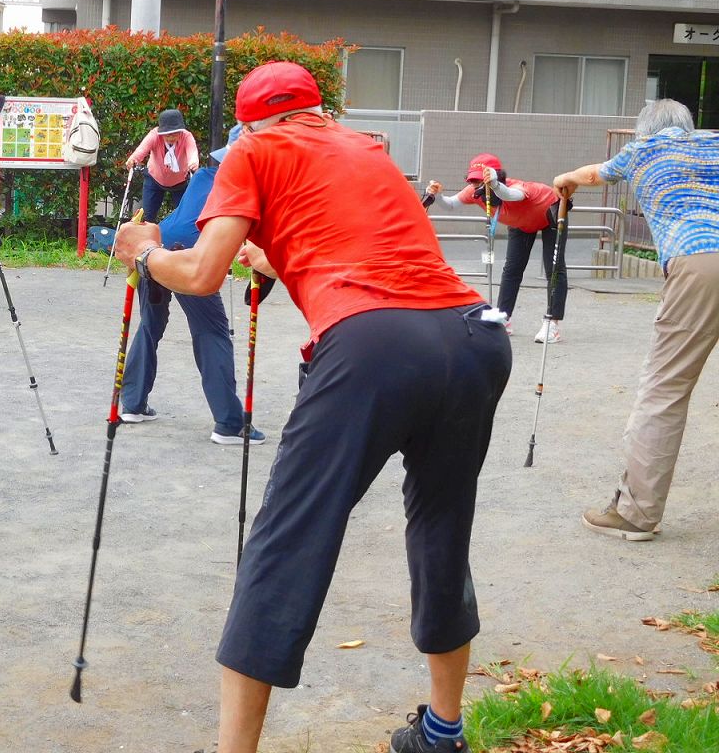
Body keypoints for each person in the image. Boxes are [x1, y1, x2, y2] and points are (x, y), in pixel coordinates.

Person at [114, 61, 511, 753]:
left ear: (253, 121)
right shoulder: (365, 149)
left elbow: (202, 273)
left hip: (374, 347)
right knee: (442, 530)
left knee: (284, 545)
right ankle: (444, 732)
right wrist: (266, 255)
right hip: (473, 336)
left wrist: (147, 253)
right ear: (317, 110)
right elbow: (343, 247)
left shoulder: (253, 151)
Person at [554, 99, 719, 543]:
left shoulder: (641, 150)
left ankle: (636, 514)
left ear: (644, 129)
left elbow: (591, 174)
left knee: (665, 391)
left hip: (700, 261)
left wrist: (563, 181)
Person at [120, 124, 265, 447]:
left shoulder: (203, 177)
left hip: (156, 245)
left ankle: (132, 403)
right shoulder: (249, 188)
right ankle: (228, 423)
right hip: (191, 255)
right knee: (211, 330)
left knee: (150, 325)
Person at [428, 153, 568, 343]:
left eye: (481, 179)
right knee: (511, 270)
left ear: (498, 177)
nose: (477, 184)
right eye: (473, 180)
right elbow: (451, 205)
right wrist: (437, 196)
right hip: (521, 224)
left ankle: (552, 323)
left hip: (550, 212)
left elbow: (509, 195)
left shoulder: (517, 187)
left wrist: (493, 184)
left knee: (554, 269)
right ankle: (503, 317)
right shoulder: (475, 191)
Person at [126, 108, 200, 221]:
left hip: (179, 181)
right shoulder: (154, 135)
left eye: (174, 134)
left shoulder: (186, 136)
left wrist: (193, 163)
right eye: (167, 134)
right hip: (154, 179)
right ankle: (147, 237)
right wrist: (134, 159)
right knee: (147, 216)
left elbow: (192, 151)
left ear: (180, 131)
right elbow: (142, 149)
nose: (171, 138)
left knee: (184, 217)